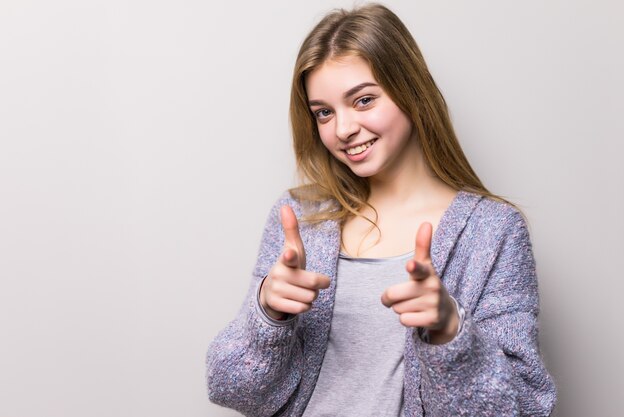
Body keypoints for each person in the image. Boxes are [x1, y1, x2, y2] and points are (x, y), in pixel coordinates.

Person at [205, 3, 556, 416]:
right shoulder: (301, 218)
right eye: (323, 112)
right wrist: (267, 317)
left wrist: (450, 332)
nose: (343, 129)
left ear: (409, 89)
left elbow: (526, 407)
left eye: (364, 100)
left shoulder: (493, 231)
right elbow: (229, 388)